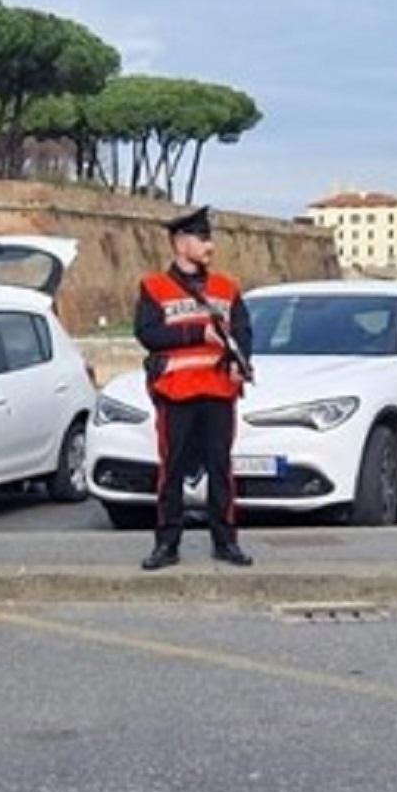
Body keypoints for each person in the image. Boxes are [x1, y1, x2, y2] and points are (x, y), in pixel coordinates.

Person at [133, 205, 255, 571]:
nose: (210, 246)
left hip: (219, 390)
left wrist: (239, 362)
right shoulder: (153, 286)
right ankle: (167, 544)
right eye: (203, 239)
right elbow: (147, 333)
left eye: (209, 238)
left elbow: (243, 331)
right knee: (172, 470)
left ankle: (226, 541)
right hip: (176, 391)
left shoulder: (227, 287)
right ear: (181, 243)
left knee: (221, 467)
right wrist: (193, 333)